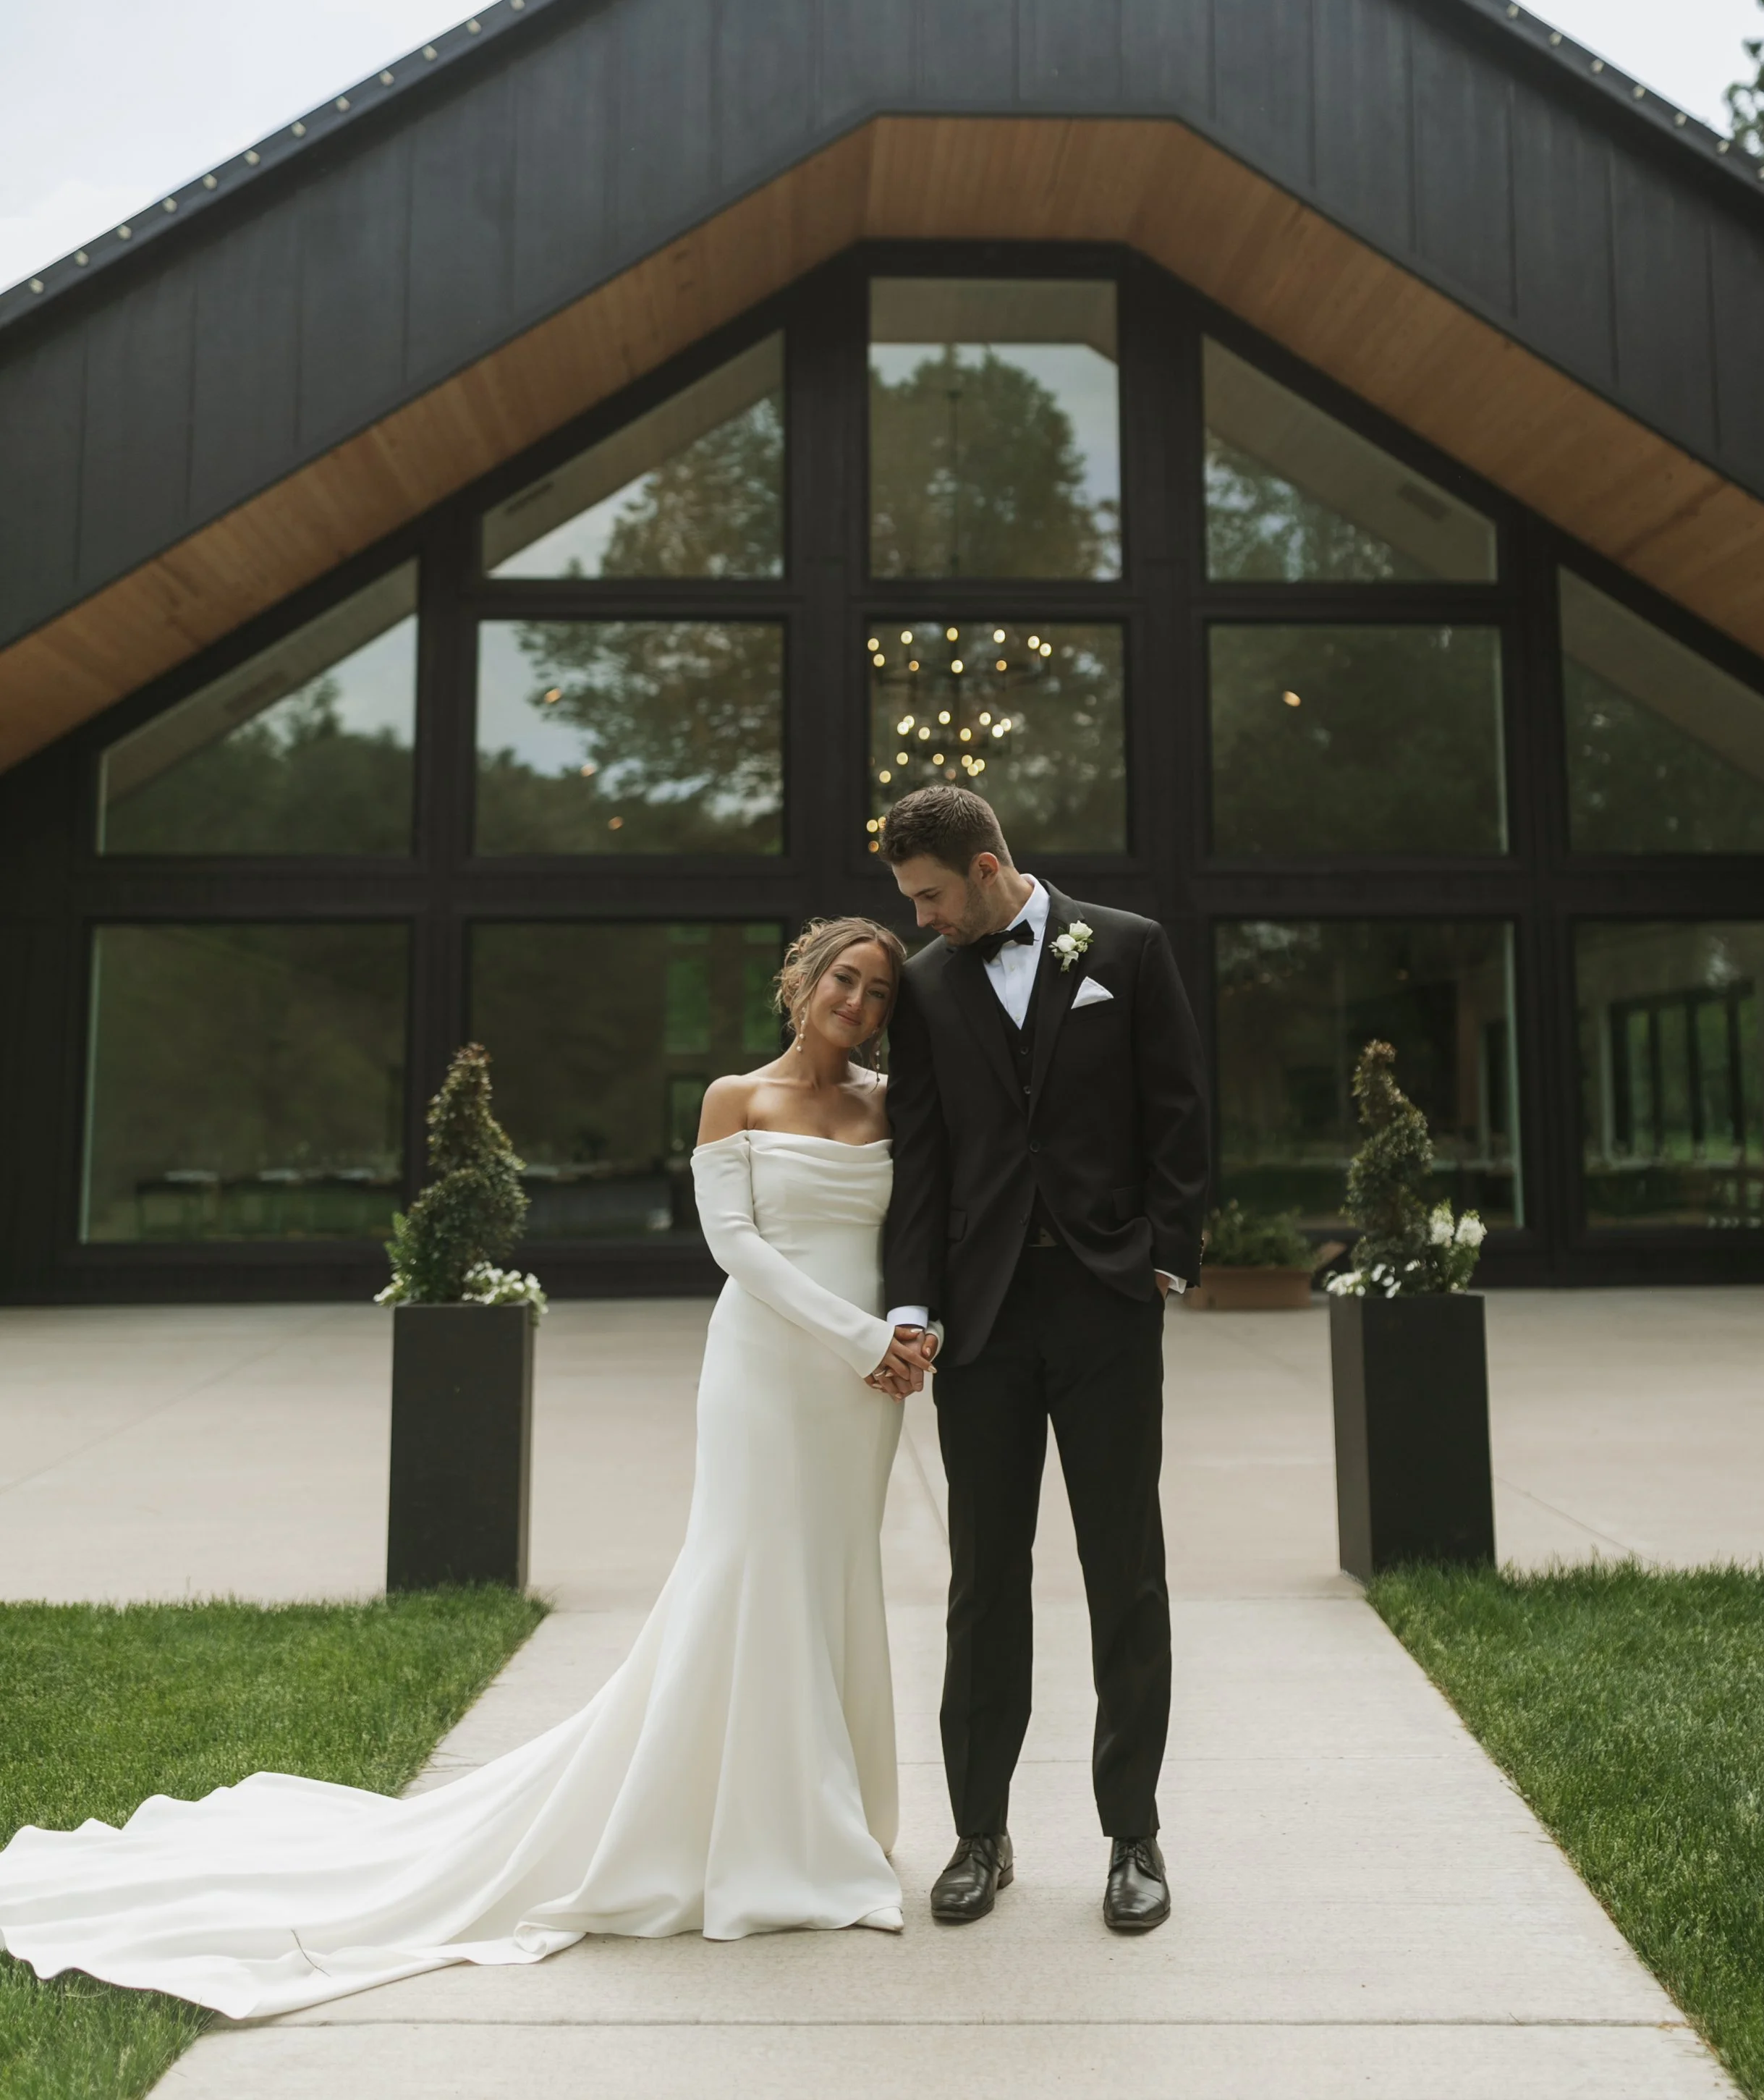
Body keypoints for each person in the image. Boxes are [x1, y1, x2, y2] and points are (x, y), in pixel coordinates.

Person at [0, 919, 933, 2018]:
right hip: (773, 1370)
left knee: (832, 1578)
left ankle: (824, 1816)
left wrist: (905, 1333)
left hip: (865, 1389)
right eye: (845, 980)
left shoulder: (889, 1102)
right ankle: (769, 1835)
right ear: (802, 980)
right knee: (749, 1572)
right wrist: (857, 1335)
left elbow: (916, 1229)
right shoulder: (735, 1096)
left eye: (878, 993)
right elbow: (736, 1247)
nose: (859, 1004)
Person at [878, 785, 1209, 1935]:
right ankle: (980, 1830)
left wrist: (1166, 1256)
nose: (920, 921)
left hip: (1106, 1302)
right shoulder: (924, 990)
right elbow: (920, 1157)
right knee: (985, 1575)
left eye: (929, 895)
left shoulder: (1127, 948)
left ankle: (1134, 1833)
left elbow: (1177, 1112)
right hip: (981, 1320)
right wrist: (914, 1303)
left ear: (983, 865)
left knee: (1126, 1567)